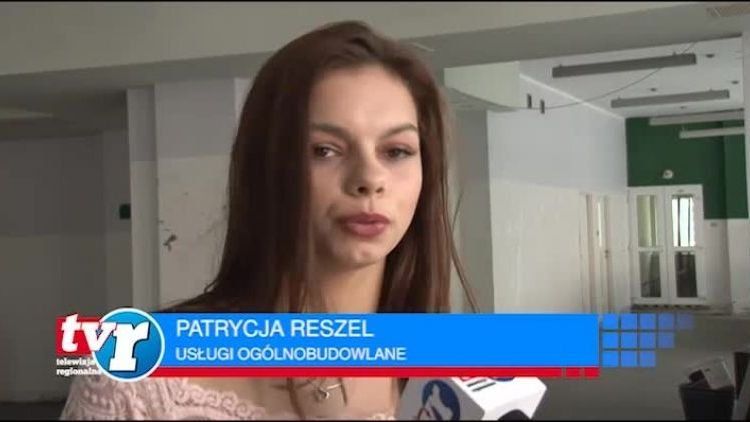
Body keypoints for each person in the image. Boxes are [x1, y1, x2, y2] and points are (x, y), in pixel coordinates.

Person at [60, 20, 476, 420]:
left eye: (397, 151)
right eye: (324, 150)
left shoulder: (463, 374)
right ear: (267, 166)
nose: (369, 178)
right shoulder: (134, 375)